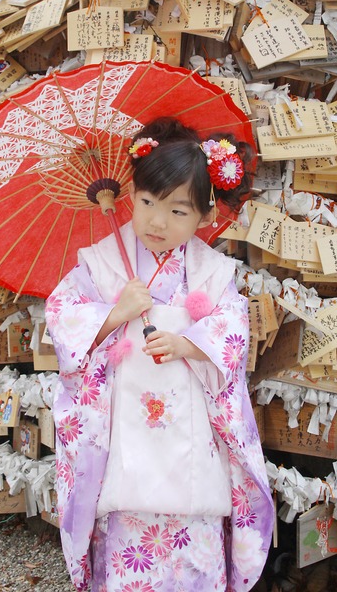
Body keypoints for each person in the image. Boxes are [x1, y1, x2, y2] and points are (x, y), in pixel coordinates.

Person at [45, 117, 272, 592]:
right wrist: (115, 313)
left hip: (192, 440)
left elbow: (232, 331)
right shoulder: (103, 263)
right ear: (130, 194)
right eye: (147, 202)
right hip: (124, 441)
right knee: (131, 553)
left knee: (196, 551)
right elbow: (63, 316)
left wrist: (187, 344)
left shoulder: (212, 272)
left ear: (206, 218)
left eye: (177, 211)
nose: (156, 221)